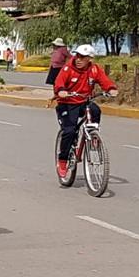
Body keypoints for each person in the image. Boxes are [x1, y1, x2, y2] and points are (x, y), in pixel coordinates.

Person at [54, 44, 118, 178]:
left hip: (83, 102)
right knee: (70, 131)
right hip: (67, 104)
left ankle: (93, 135)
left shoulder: (94, 70)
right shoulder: (67, 69)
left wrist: (111, 88)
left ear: (89, 58)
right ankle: (63, 160)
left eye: (82, 57)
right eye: (77, 56)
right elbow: (59, 83)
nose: (78, 59)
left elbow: (104, 81)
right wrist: (61, 91)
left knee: (95, 110)